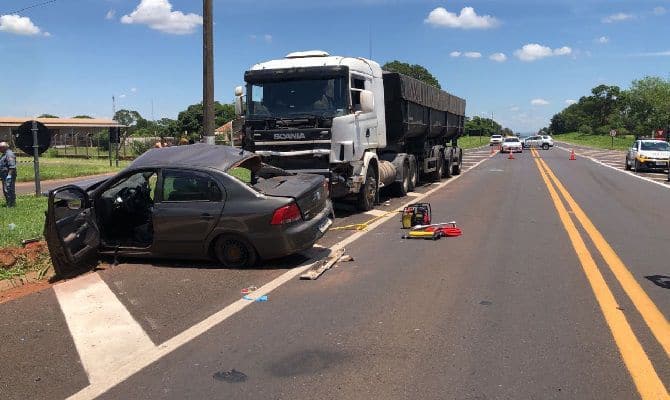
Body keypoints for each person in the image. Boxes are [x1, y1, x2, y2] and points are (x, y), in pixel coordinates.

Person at [0, 141, 17, 207]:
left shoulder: (9, 154)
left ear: (4, 147)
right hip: (4, 175)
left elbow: (12, 166)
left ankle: (11, 205)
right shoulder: (4, 154)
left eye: (0, 148)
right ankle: (9, 203)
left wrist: (9, 175)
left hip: (8, 175)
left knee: (9, 189)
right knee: (6, 189)